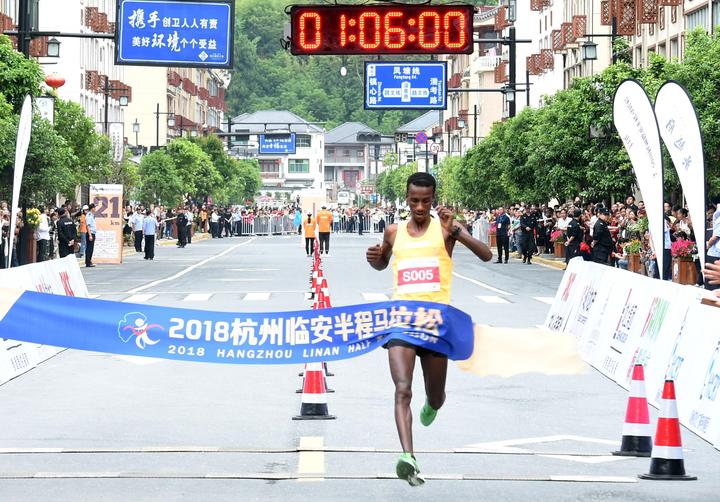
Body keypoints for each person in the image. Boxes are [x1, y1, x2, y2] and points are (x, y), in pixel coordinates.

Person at [366, 172, 492, 486]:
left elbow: (487, 255)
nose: (420, 207)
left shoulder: (447, 229)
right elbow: (382, 263)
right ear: (407, 199)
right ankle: (408, 456)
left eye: (426, 201)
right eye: (414, 201)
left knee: (436, 396)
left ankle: (432, 405)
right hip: (402, 322)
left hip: (436, 324)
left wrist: (458, 230)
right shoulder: (393, 231)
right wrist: (375, 259)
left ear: (433, 199)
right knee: (402, 389)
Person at [85, 203, 97, 267]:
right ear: (92, 208)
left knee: (91, 248)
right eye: (94, 207)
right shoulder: (89, 215)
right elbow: (88, 226)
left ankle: (89, 261)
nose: (95, 209)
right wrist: (90, 235)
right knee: (89, 248)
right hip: (90, 233)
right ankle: (88, 262)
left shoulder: (91, 215)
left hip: (92, 233)